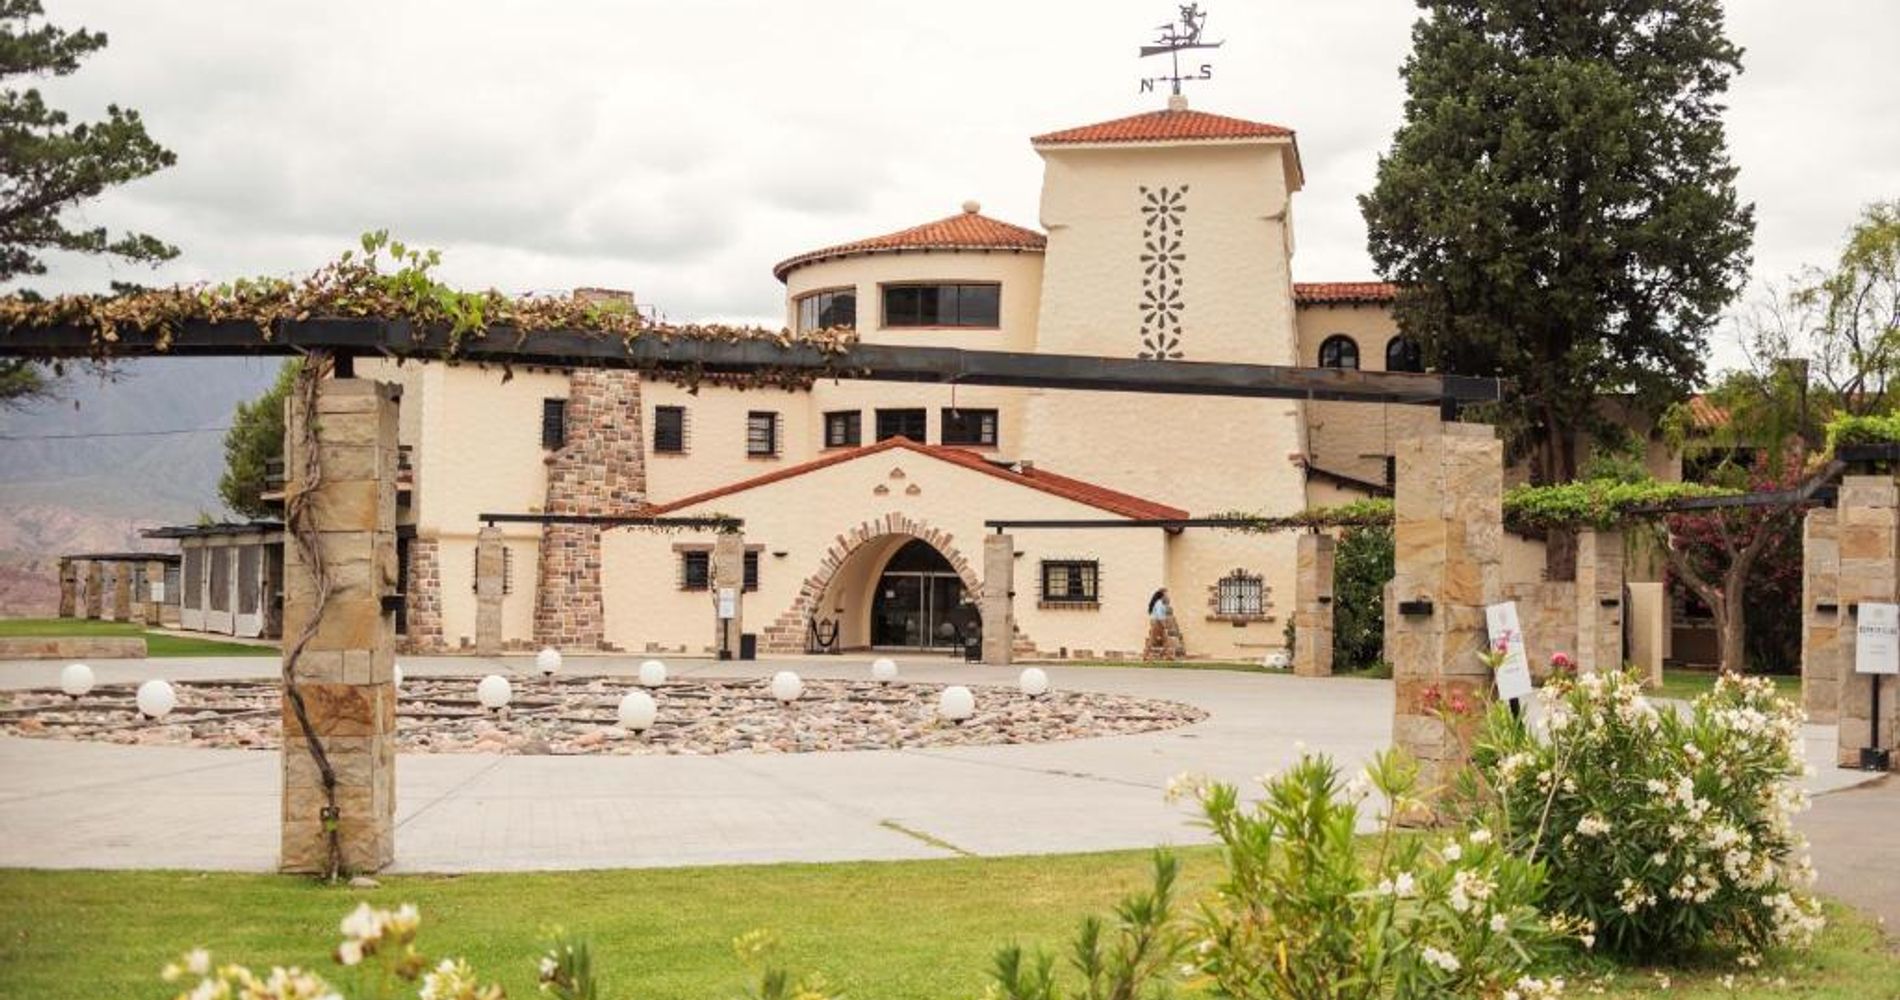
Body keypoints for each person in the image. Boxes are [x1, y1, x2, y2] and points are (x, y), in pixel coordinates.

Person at [1146, 588, 1173, 658]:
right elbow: (1159, 615)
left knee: (1166, 639)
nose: (1167, 595)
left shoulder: (1161, 603)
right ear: (1163, 594)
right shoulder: (1158, 603)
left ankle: (1168, 655)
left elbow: (1163, 614)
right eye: (1166, 593)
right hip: (1156, 622)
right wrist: (1163, 624)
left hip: (1159, 622)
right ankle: (1146, 655)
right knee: (1152, 640)